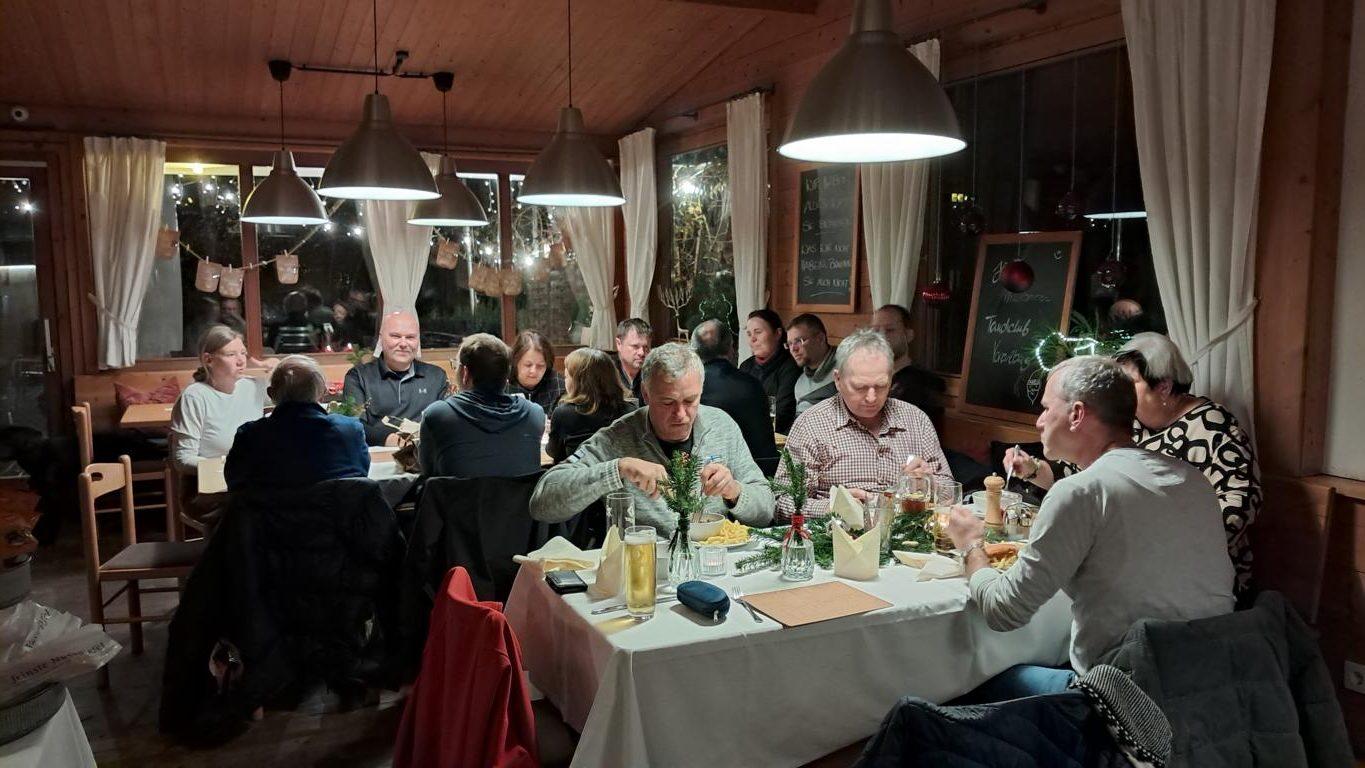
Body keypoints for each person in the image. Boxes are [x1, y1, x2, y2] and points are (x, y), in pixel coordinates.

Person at [946, 356, 1234, 699]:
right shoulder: (1193, 481)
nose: (1039, 421)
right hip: (1213, 684)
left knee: (969, 685)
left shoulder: (1082, 491)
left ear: (1077, 414)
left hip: (1126, 698)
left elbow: (1004, 611)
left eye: (1046, 409)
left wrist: (971, 545)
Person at [1004, 332, 1262, 596]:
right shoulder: (1134, 423)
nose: (1122, 391)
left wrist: (1160, 549)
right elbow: (1079, 474)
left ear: (1163, 387)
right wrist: (1032, 469)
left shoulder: (1214, 427)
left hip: (1199, 580)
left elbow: (1240, 505)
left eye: (1131, 383)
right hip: (1134, 568)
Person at [530, 343, 774, 537]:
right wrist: (618, 468)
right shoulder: (617, 437)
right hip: (647, 566)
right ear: (646, 395)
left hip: (716, 563)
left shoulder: (721, 425)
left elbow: (766, 509)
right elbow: (542, 502)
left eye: (690, 401)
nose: (681, 414)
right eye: (667, 403)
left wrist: (734, 491)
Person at [774, 329, 952, 520]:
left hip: (908, 529)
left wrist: (927, 485)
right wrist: (833, 506)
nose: (871, 397)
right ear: (838, 380)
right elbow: (781, 502)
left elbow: (951, 491)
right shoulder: (811, 425)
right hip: (837, 532)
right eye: (860, 387)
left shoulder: (915, 420)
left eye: (881, 386)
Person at [169, 325, 278, 531]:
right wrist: (232, 466)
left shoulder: (254, 386)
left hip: (247, 482)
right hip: (205, 491)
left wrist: (278, 372)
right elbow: (182, 460)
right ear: (208, 359)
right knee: (254, 508)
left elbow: (294, 399)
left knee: (287, 501)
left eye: (243, 353)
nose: (241, 360)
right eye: (231, 354)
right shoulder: (195, 396)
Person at [224, 355, 369, 491]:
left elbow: (234, 484)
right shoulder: (350, 432)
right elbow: (360, 478)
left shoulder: (250, 436)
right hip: (334, 510)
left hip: (271, 511)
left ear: (271, 394)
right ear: (323, 393)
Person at [419, 333, 545, 478]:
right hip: (518, 494)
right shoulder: (534, 414)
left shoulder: (438, 416)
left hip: (459, 494)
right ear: (506, 377)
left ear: (465, 373)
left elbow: (428, 474)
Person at [342, 310, 449, 447]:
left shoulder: (436, 376)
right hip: (377, 455)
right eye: (395, 336)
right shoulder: (358, 377)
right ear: (381, 339)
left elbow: (447, 423)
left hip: (425, 454)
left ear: (418, 341)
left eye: (410, 337)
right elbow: (352, 425)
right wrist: (387, 439)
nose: (403, 344)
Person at [692, 320, 779, 476]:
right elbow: (766, 451)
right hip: (758, 475)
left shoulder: (691, 388)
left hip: (707, 476)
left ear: (694, 352)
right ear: (731, 348)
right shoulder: (752, 385)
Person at [547, 348, 636, 464]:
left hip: (580, 473)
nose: (565, 381)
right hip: (618, 473)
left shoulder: (563, 413)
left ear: (577, 381)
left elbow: (554, 452)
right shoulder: (632, 410)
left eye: (566, 377)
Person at [870, 304, 946, 428]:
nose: (881, 336)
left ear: (908, 335)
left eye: (890, 330)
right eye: (875, 330)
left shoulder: (923, 384)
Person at [739, 309, 801, 434]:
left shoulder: (791, 367)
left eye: (758, 332)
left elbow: (782, 415)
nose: (753, 339)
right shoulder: (746, 367)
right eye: (749, 334)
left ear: (777, 333)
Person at [788, 313, 838, 416]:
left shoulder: (847, 366)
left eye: (799, 341)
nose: (793, 349)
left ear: (820, 338)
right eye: (790, 344)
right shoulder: (800, 384)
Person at [506, 330, 565, 416]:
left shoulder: (558, 385)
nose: (533, 371)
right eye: (528, 365)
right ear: (515, 362)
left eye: (540, 366)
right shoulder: (501, 382)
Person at [612, 317, 651, 400]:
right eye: (635, 346)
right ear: (619, 344)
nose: (642, 353)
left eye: (646, 347)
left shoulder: (652, 374)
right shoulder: (607, 373)